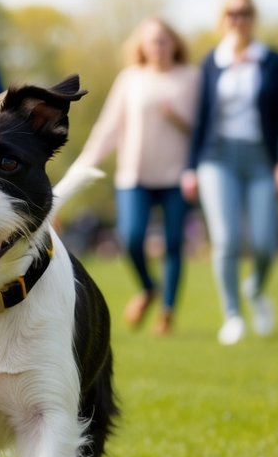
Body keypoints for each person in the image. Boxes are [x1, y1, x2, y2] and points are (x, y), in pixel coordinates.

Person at [181, 0, 278, 345]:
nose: (238, 19)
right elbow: (200, 120)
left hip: (262, 158)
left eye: (245, 12)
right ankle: (232, 315)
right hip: (217, 158)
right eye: (232, 13)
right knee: (227, 239)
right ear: (223, 19)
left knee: (263, 243)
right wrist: (190, 168)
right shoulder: (210, 63)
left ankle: (256, 289)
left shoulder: (274, 62)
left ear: (254, 17)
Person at [71, 17, 200, 335]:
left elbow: (202, 128)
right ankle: (148, 287)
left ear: (174, 42)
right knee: (131, 238)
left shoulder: (191, 77)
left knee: (173, 243)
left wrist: (177, 116)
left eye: (164, 39)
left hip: (176, 175)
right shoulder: (130, 78)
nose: (158, 46)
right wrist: (87, 160)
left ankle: (167, 312)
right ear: (141, 46)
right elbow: (110, 126)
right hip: (135, 174)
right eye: (152, 40)